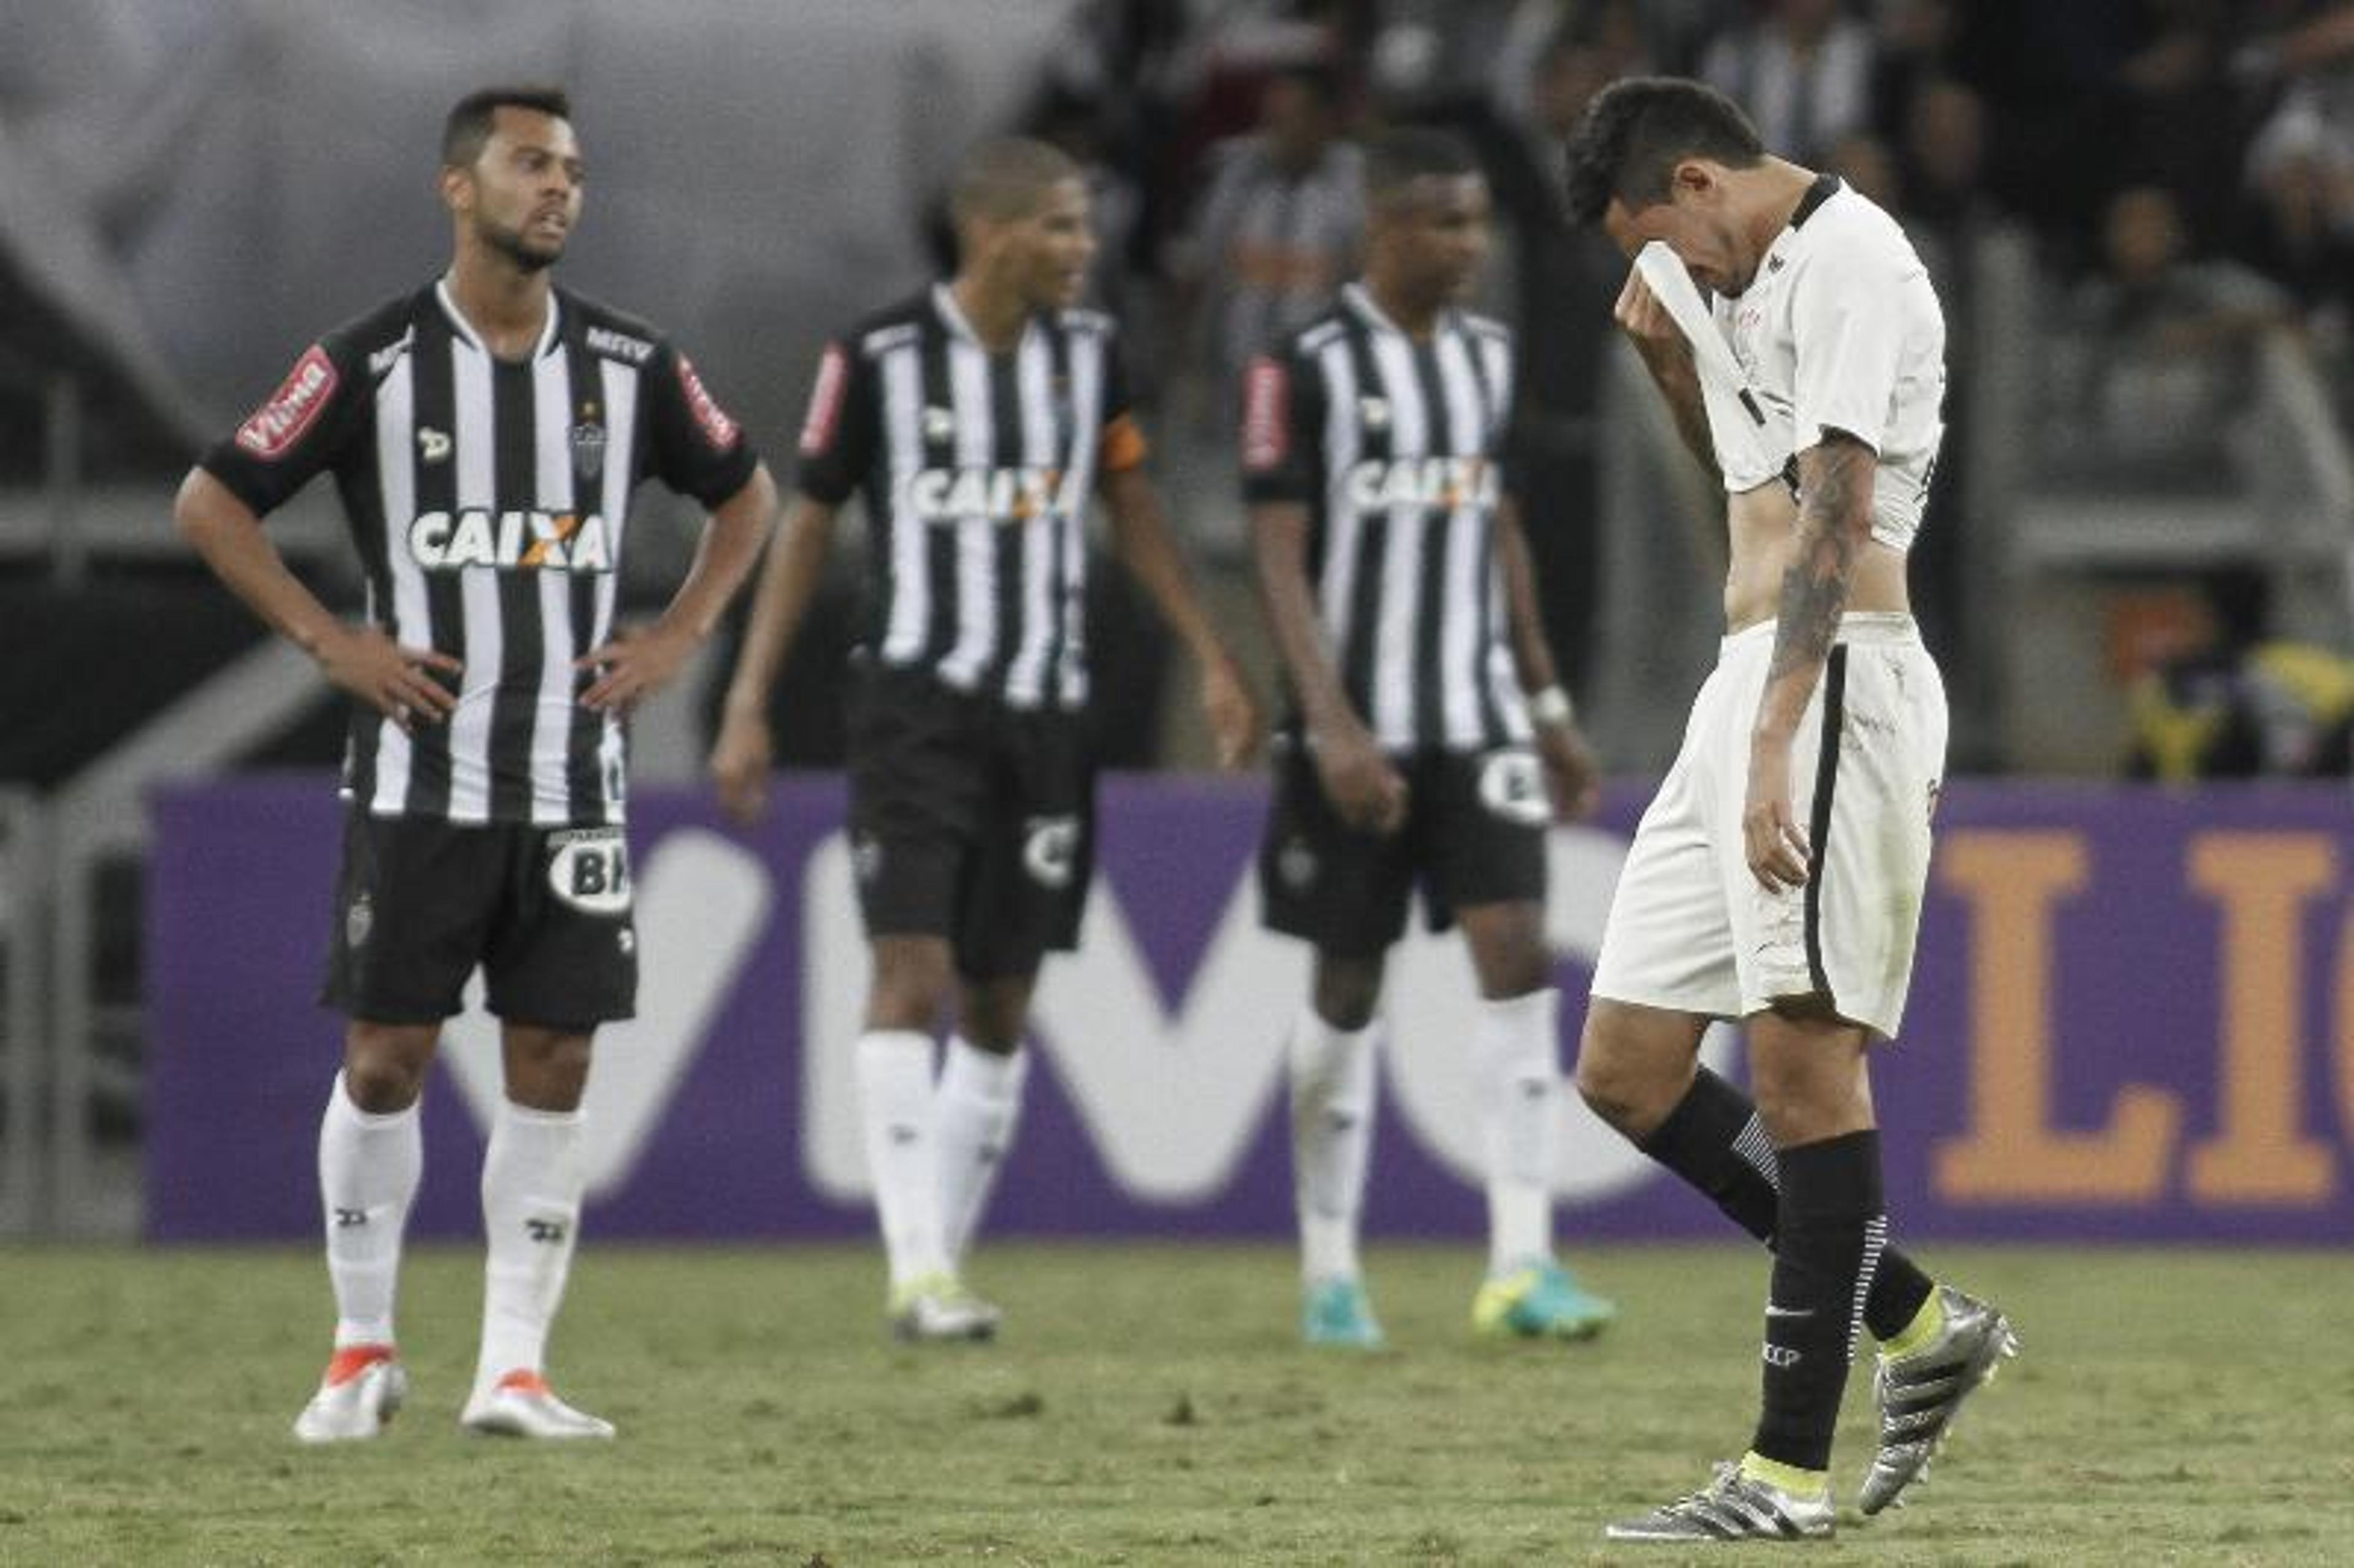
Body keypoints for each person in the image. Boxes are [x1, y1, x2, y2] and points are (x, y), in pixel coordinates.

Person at [173, 85, 778, 1443]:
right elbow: (213, 501)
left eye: (571, 169)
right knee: (387, 1059)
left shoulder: (629, 365)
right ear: (460, 187)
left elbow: (748, 494)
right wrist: (331, 641)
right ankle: (359, 1347)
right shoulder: (371, 361)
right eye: (528, 165)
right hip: (417, 777)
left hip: (575, 778)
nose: (558, 188)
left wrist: (682, 635)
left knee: (554, 1057)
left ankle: (513, 1367)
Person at [1559, 77, 2015, 1539]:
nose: (1674, 272)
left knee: (1804, 1073)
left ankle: (1782, 1475)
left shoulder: (1858, 262)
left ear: (1703, 179)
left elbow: (1832, 512)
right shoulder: (1718, 278)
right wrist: (1679, 373)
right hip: (1746, 679)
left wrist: (1774, 739)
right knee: (1626, 1067)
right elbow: (1751, 493)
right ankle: (1922, 1322)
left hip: (1833, 687)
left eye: (1670, 240)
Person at [709, 136, 1260, 1342]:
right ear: (993, 232)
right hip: (914, 706)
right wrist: (749, 694)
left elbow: (1131, 510)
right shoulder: (878, 358)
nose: (1083, 249)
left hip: (1045, 713)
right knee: (912, 973)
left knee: (1004, 1002)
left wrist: (1214, 654)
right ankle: (917, 1268)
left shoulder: (1091, 355)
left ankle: (937, 1265)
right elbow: (810, 526)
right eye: (1062, 227)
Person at [1241, 127, 1616, 1350]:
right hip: (1357, 736)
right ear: (1383, 229)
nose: (1469, 245)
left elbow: (1501, 531)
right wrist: (1331, 724)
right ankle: (1330, 1269)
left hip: (1478, 718)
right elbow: (1280, 559)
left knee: (1518, 960)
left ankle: (1522, 1261)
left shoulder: (1491, 363)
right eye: (1446, 223)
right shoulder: (1299, 365)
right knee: (1347, 988)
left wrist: (1547, 702)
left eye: (1477, 224)